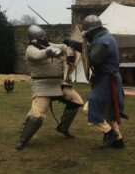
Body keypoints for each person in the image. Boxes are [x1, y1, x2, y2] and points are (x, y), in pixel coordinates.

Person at [15, 25, 84, 150]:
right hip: (43, 85)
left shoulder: (47, 44)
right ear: (34, 39)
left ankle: (63, 128)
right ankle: (23, 139)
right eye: (41, 36)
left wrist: (68, 47)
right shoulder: (31, 49)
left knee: (76, 101)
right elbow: (38, 55)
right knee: (37, 116)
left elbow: (61, 47)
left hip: (59, 84)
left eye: (44, 34)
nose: (44, 37)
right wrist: (51, 51)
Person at [65, 15, 127, 149]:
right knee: (106, 112)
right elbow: (88, 49)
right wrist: (72, 43)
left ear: (92, 30)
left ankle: (109, 133)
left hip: (107, 80)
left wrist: (84, 42)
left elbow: (93, 59)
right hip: (105, 79)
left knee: (90, 107)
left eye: (87, 33)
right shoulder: (102, 38)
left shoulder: (104, 41)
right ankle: (118, 140)